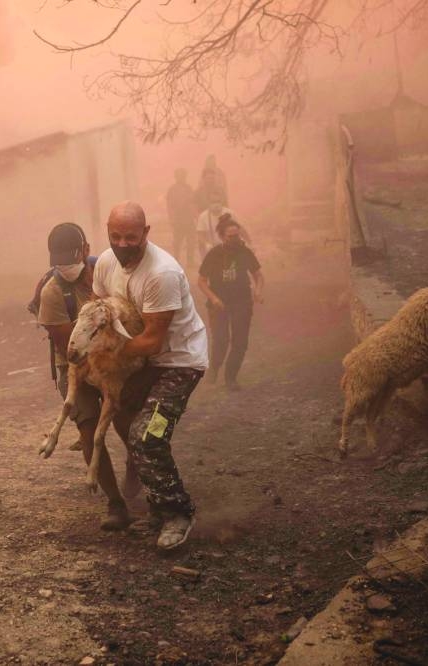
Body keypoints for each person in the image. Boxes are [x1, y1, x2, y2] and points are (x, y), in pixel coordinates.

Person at [94, 201, 208, 550]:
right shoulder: (104, 263)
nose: (123, 244)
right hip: (141, 362)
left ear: (146, 233)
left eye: (132, 237)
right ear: (108, 232)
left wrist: (106, 352)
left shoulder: (162, 273)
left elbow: (151, 340)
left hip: (178, 363)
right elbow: (101, 314)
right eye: (116, 236)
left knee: (147, 436)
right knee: (127, 424)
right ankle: (157, 509)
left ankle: (179, 513)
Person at [36, 223, 136, 531]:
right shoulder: (52, 293)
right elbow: (70, 347)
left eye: (71, 260)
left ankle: (137, 469)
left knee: (127, 422)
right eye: (60, 263)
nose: (66, 268)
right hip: (76, 365)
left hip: (112, 359)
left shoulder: (105, 270)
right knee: (90, 428)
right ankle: (115, 503)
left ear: (86, 251)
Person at [198, 214, 264, 390]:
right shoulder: (214, 254)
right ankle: (214, 368)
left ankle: (230, 378)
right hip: (218, 303)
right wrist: (213, 298)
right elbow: (201, 281)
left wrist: (257, 291)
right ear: (222, 237)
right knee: (221, 340)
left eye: (237, 235)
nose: (235, 239)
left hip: (242, 301)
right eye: (230, 237)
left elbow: (258, 275)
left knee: (240, 342)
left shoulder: (245, 252)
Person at [166, 168, 198, 267]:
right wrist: (172, 219)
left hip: (189, 219)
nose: (181, 178)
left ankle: (190, 262)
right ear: (176, 177)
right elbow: (169, 206)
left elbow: (193, 203)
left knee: (191, 242)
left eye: (183, 175)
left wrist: (194, 216)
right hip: (178, 220)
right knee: (177, 243)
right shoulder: (172, 189)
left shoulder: (189, 188)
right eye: (179, 176)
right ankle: (175, 261)